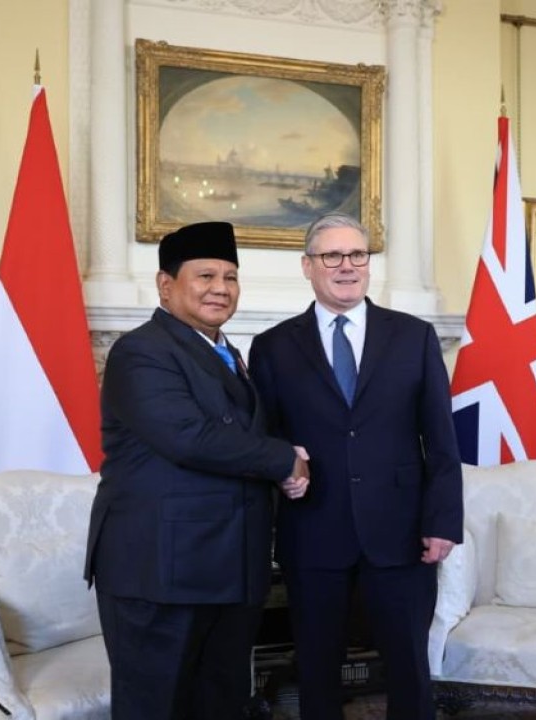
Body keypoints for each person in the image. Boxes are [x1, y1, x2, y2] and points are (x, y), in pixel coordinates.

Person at [84, 220, 310, 720]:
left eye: (230, 277)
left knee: (220, 704)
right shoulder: (140, 351)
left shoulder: (225, 352)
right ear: (166, 286)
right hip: (160, 571)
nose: (221, 289)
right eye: (205, 275)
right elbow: (188, 438)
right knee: (156, 707)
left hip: (228, 568)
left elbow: (236, 433)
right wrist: (283, 460)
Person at [248, 213, 463, 720]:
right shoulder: (273, 347)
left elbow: (441, 439)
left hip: (402, 533)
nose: (347, 266)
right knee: (317, 668)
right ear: (307, 266)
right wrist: (284, 470)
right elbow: (265, 440)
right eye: (332, 256)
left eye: (357, 255)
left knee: (409, 666)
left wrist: (442, 521)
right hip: (313, 531)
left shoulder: (414, 337)